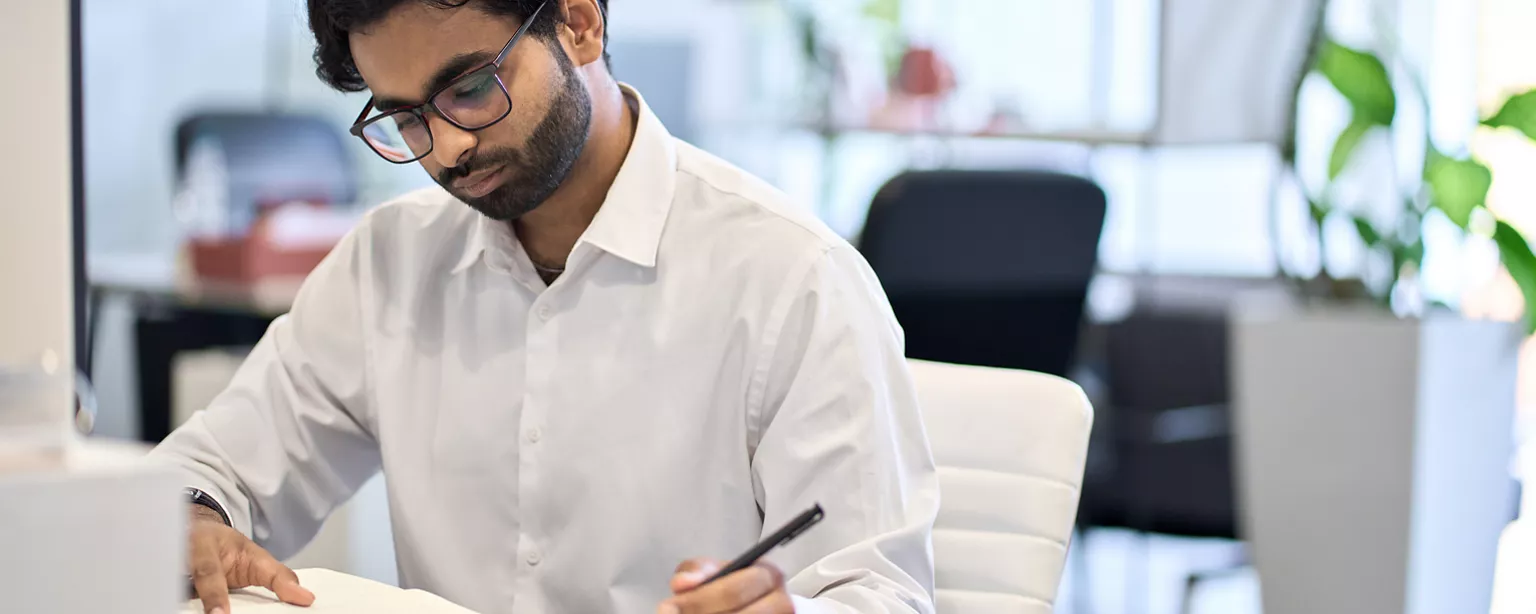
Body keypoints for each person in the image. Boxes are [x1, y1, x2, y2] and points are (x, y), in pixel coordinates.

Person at [149, 1, 939, 613]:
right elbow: (206, 468)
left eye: (468, 89)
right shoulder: (390, 262)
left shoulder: (793, 279)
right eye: (406, 117)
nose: (447, 148)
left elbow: (880, 592)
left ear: (580, 21)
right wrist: (193, 520)